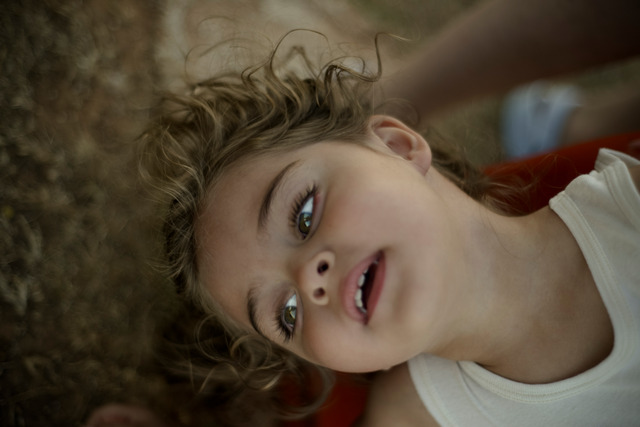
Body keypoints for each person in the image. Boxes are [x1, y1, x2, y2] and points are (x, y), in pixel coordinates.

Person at [87, 0, 640, 425]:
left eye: (304, 214)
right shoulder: (410, 417)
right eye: (287, 315)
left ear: (398, 145)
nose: (309, 279)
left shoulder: (630, 202)